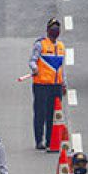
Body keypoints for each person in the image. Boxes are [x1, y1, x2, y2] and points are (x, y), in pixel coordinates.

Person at [29, 17, 67, 150]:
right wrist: (35, 68)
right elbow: (32, 61)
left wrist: (63, 83)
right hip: (41, 85)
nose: (55, 30)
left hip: (55, 86)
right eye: (53, 27)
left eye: (57, 27)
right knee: (40, 113)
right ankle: (39, 140)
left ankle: (50, 141)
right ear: (47, 30)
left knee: (53, 115)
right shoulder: (40, 44)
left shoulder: (61, 46)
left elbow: (62, 68)